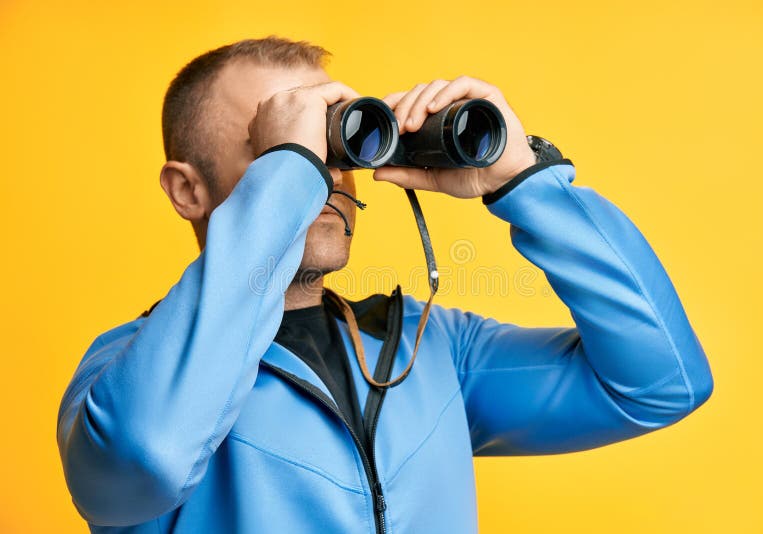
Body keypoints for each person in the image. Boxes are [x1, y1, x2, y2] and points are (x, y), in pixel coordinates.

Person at [56, 36, 714, 533]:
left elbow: (664, 384)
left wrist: (525, 179)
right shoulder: (125, 376)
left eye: (333, 140)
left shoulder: (434, 353)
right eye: (280, 146)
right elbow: (149, 460)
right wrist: (290, 175)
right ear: (187, 189)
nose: (324, 174)